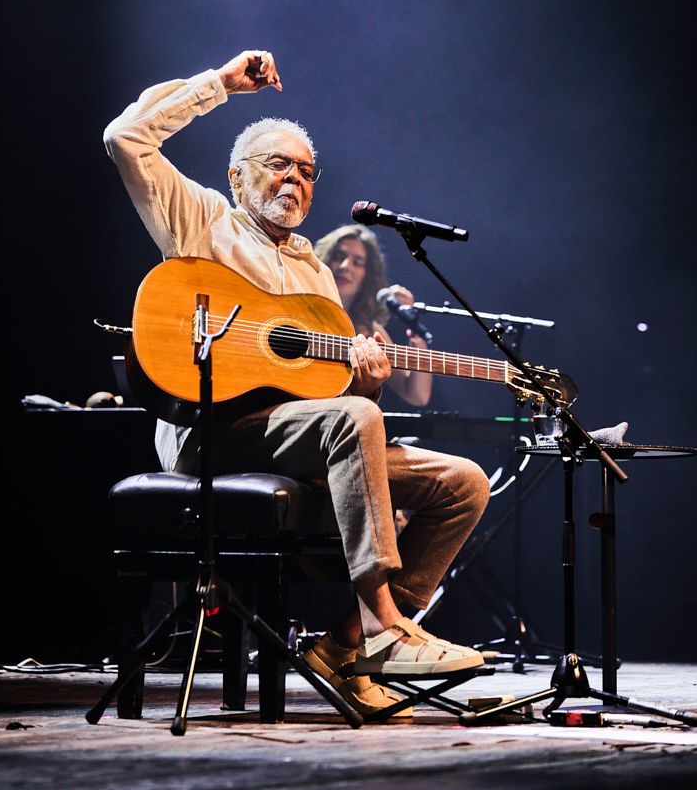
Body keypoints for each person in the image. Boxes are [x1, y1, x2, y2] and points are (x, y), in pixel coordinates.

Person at [104, 49, 491, 717]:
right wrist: (220, 86)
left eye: (307, 172)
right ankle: (384, 626)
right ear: (236, 176)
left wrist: (368, 381)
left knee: (463, 483)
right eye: (278, 165)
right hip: (212, 432)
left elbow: (334, 398)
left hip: (293, 435)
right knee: (355, 423)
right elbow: (124, 138)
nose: (295, 179)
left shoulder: (316, 275)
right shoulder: (201, 220)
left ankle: (343, 647)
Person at [313, 224, 432, 407]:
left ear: (367, 275)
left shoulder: (368, 331)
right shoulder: (299, 304)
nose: (346, 267)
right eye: (338, 257)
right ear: (324, 260)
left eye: (357, 263)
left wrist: (415, 330)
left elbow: (417, 395)